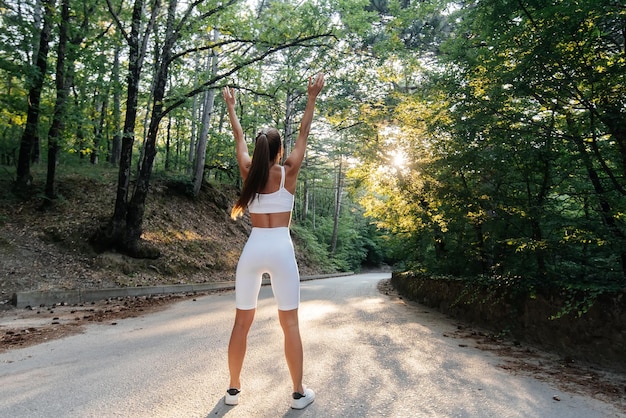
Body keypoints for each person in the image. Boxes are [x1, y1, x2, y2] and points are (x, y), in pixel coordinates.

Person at [222, 73, 325, 410]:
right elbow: (305, 132)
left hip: (253, 248)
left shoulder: (248, 169)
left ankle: (233, 390)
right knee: (290, 322)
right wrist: (312, 96)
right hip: (281, 248)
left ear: (259, 149)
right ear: (279, 150)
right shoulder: (289, 171)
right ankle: (298, 393)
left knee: (241, 322)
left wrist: (231, 107)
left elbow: (237, 135)